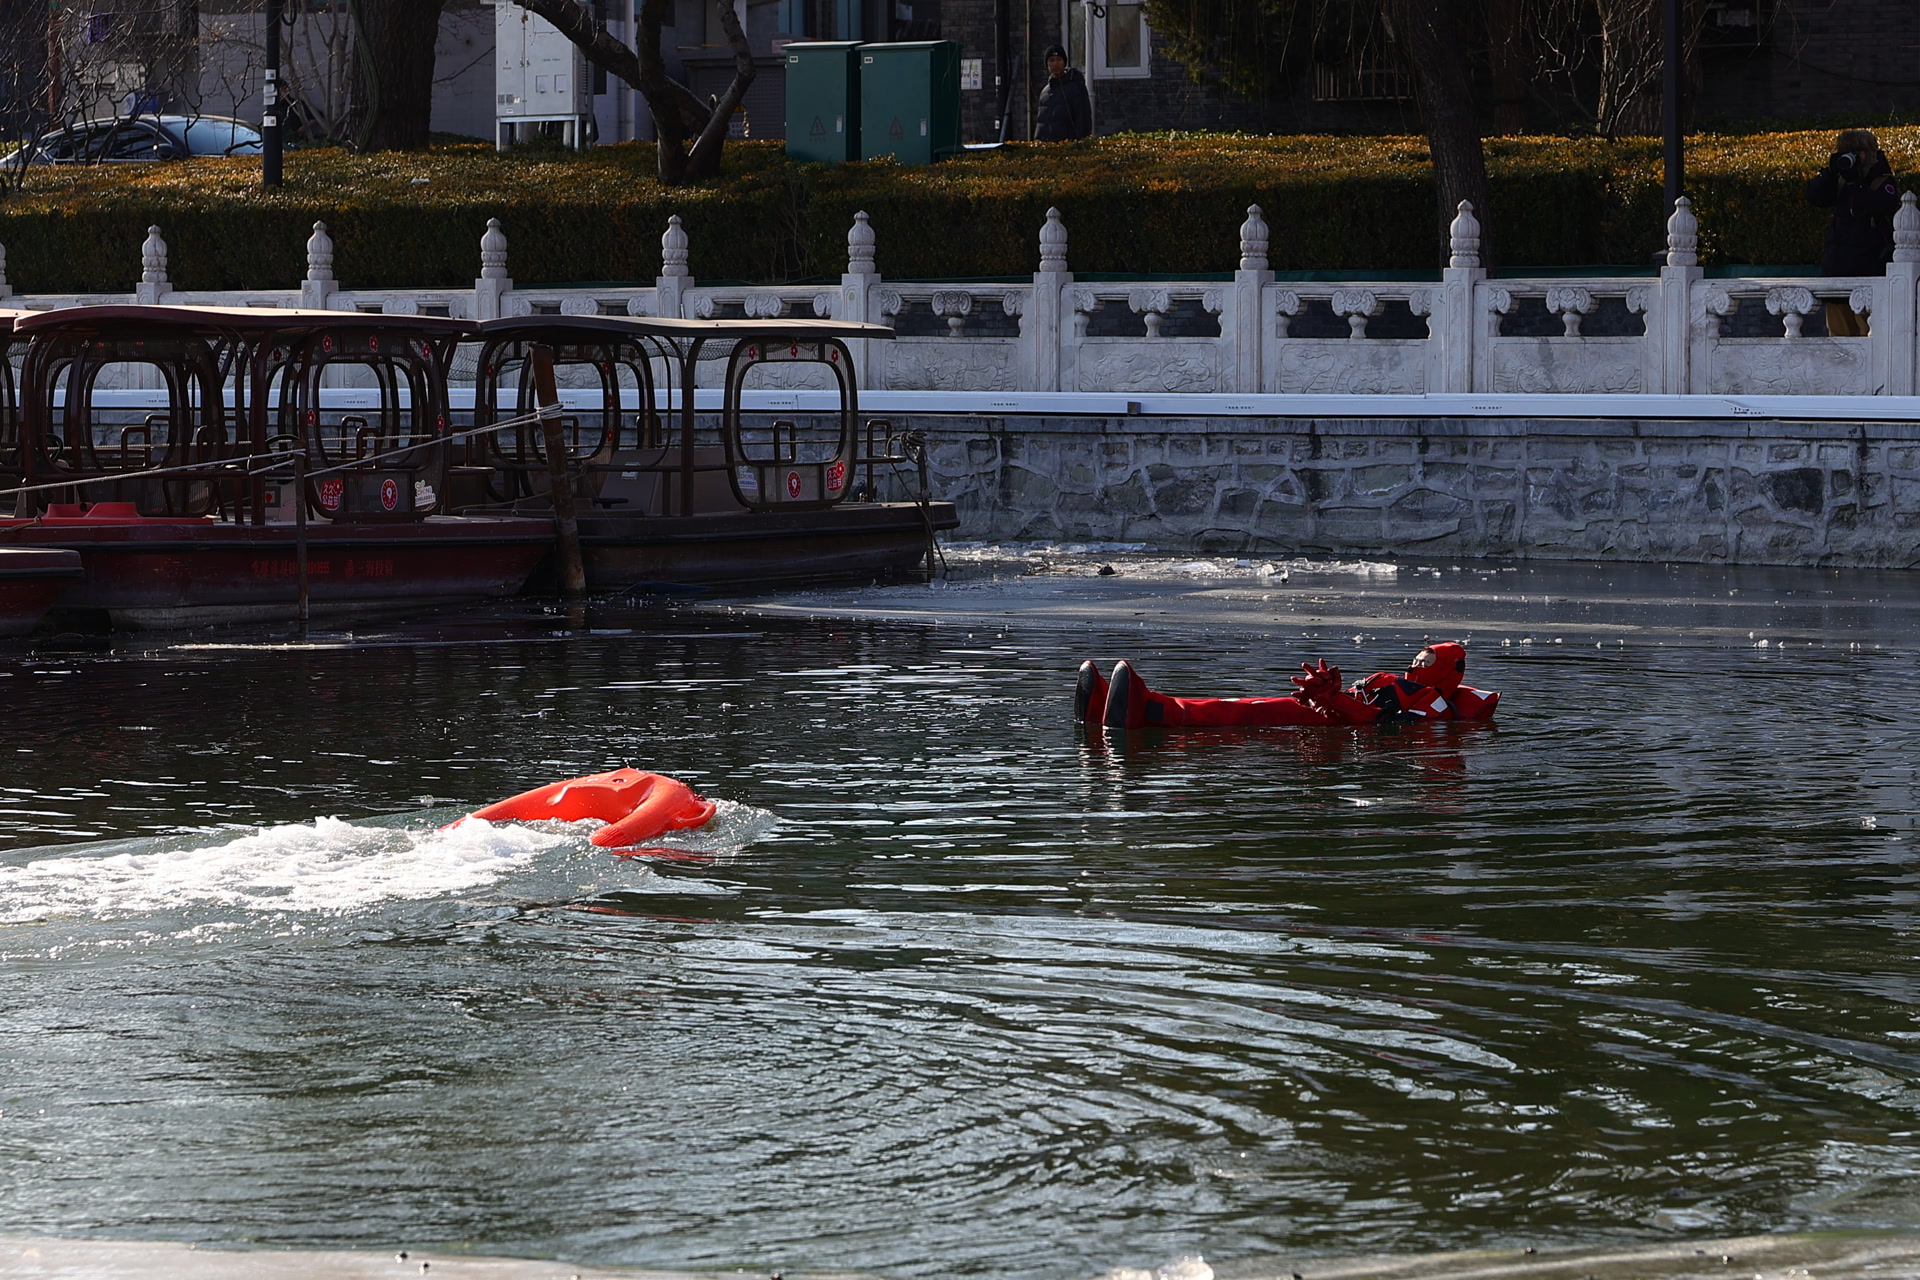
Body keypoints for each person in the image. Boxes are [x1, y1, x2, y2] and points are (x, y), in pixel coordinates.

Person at [1075, 642, 1499, 729]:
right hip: (1324, 712)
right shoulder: (1396, 682)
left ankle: (1148, 709)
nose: (1415, 665)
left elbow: (1382, 725)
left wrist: (1333, 699)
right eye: (1417, 658)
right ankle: (1113, 705)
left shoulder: (1437, 707)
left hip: (1328, 726)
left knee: (1243, 713)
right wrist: (1331, 688)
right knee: (1242, 705)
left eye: (1426, 661)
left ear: (1448, 671)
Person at [1806, 128, 1900, 338]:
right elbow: (1814, 197)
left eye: (1861, 151)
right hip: (1837, 270)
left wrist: (1856, 182)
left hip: (1868, 269)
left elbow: (1873, 206)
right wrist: (1831, 171)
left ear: (1871, 152)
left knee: (1871, 336)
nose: (1859, 157)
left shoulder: (1882, 180)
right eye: (1849, 152)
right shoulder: (1840, 178)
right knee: (1839, 339)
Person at [1034, 44, 1091, 142]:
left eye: (1059, 59)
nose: (1055, 64)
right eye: (1051, 60)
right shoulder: (1045, 92)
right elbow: (1041, 123)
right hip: (1047, 147)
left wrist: (1080, 143)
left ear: (1064, 62)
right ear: (1047, 64)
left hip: (1067, 146)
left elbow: (1083, 120)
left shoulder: (1076, 87)